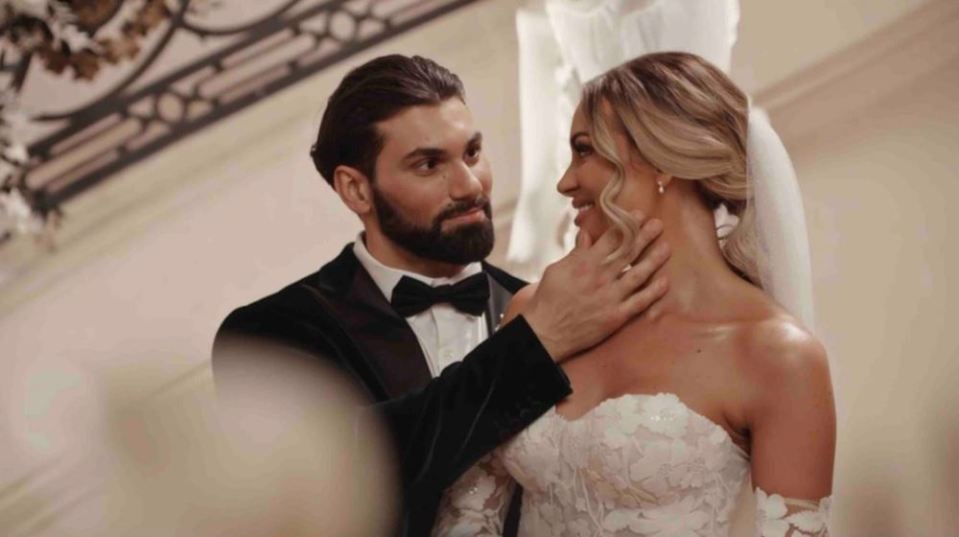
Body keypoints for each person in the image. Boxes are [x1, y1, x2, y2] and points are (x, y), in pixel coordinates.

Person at [211, 54, 671, 537]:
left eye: (472, 153)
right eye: (429, 164)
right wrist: (533, 345)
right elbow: (346, 473)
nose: (470, 186)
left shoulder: (553, 306)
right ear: (356, 190)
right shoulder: (268, 334)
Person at [433, 52, 836, 537]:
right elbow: (467, 512)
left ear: (659, 160)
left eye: (583, 150)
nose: (565, 182)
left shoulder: (775, 354)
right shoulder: (534, 311)